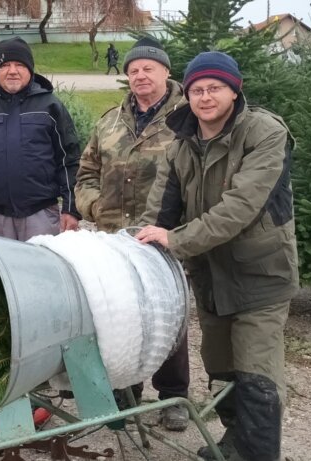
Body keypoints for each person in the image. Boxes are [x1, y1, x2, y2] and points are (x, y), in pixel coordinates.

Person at [136, 51, 298, 461]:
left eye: (215, 88)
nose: (205, 97)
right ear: (187, 95)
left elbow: (240, 208)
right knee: (221, 369)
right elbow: (159, 211)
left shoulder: (265, 133)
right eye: (197, 90)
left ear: (234, 90)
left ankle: (259, 454)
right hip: (210, 275)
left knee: (256, 374)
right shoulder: (181, 146)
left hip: (260, 275)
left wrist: (176, 241)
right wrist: (133, 248)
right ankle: (234, 445)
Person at [74, 36, 191, 431]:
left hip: (161, 239)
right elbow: (86, 172)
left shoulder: (187, 118)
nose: (140, 75)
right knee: (122, 316)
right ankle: (127, 392)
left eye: (148, 68)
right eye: (134, 70)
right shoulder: (109, 121)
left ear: (165, 72)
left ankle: (174, 397)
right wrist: (93, 206)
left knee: (169, 319)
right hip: (113, 240)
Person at [0, 37, 81, 241]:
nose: (12, 70)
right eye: (5, 65)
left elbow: (69, 159)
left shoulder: (51, 107)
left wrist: (71, 208)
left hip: (41, 215)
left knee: (42, 271)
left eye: (19, 64)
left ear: (30, 69)